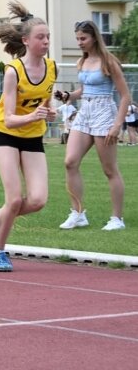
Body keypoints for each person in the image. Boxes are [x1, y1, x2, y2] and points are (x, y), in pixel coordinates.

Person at [0, 1, 57, 272]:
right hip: (7, 134)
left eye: (48, 36)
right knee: (15, 198)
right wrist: (32, 117)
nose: (46, 41)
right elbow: (9, 118)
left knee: (38, 200)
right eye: (41, 37)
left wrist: (49, 114)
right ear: (26, 40)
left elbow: (46, 103)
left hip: (33, 137)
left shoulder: (52, 68)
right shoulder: (13, 71)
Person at [56, 20, 130, 231]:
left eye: (83, 38)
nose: (79, 42)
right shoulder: (83, 61)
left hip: (104, 113)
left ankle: (117, 219)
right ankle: (77, 213)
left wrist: (117, 125)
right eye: (77, 38)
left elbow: (125, 96)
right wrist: (69, 95)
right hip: (85, 113)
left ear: (94, 38)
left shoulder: (109, 62)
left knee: (109, 169)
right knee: (70, 162)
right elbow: (84, 90)